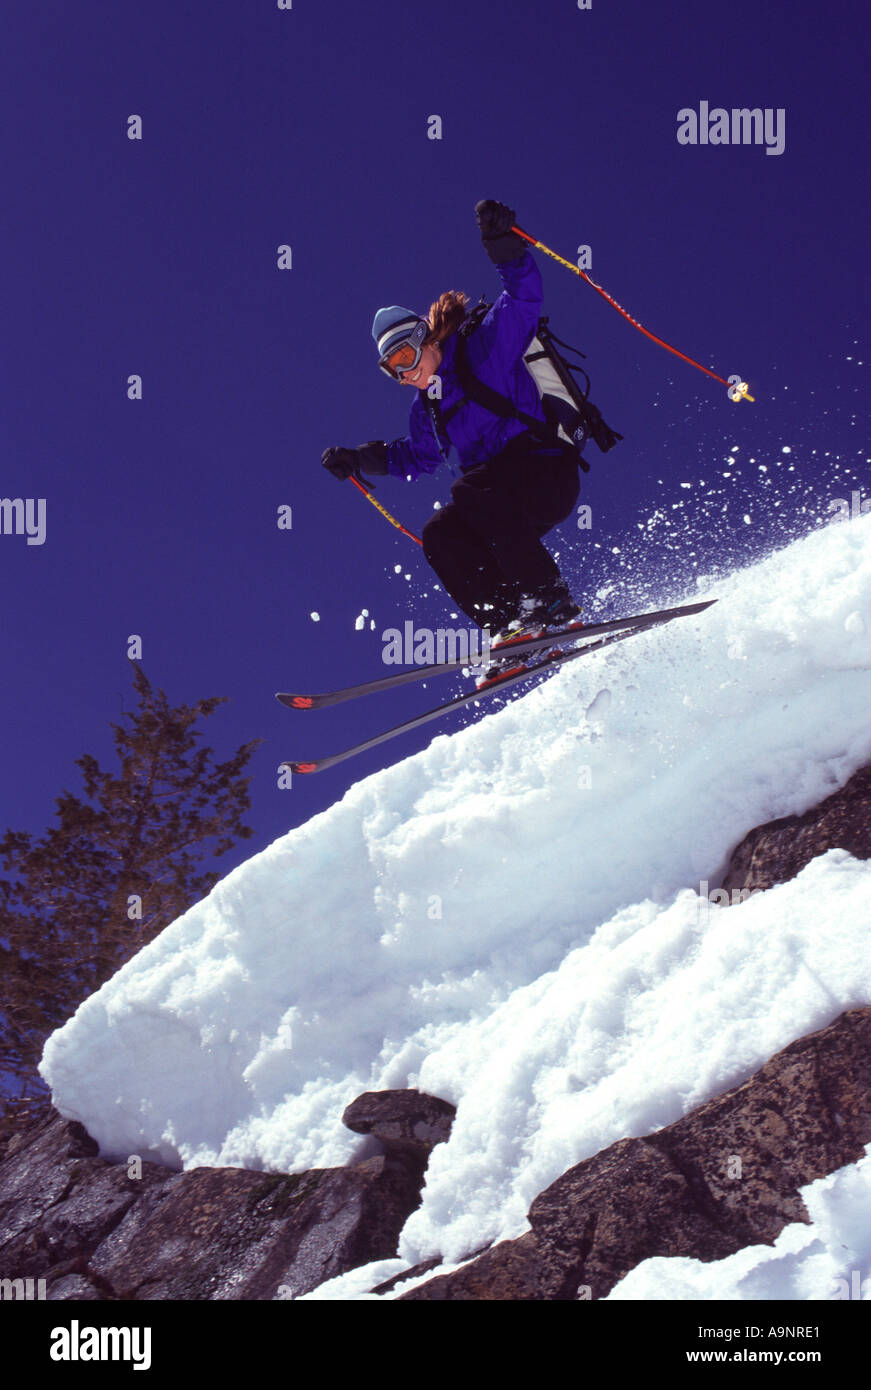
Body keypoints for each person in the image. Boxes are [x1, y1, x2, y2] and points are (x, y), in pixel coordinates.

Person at [322, 199, 583, 652]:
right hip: (501, 505)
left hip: (546, 472)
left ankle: (548, 598)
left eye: (404, 357)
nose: (405, 375)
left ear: (423, 337)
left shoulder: (482, 350)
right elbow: (412, 457)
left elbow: (522, 301)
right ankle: (510, 626)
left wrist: (503, 246)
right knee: (440, 532)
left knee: (469, 490)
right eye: (393, 371)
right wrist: (357, 458)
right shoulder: (428, 410)